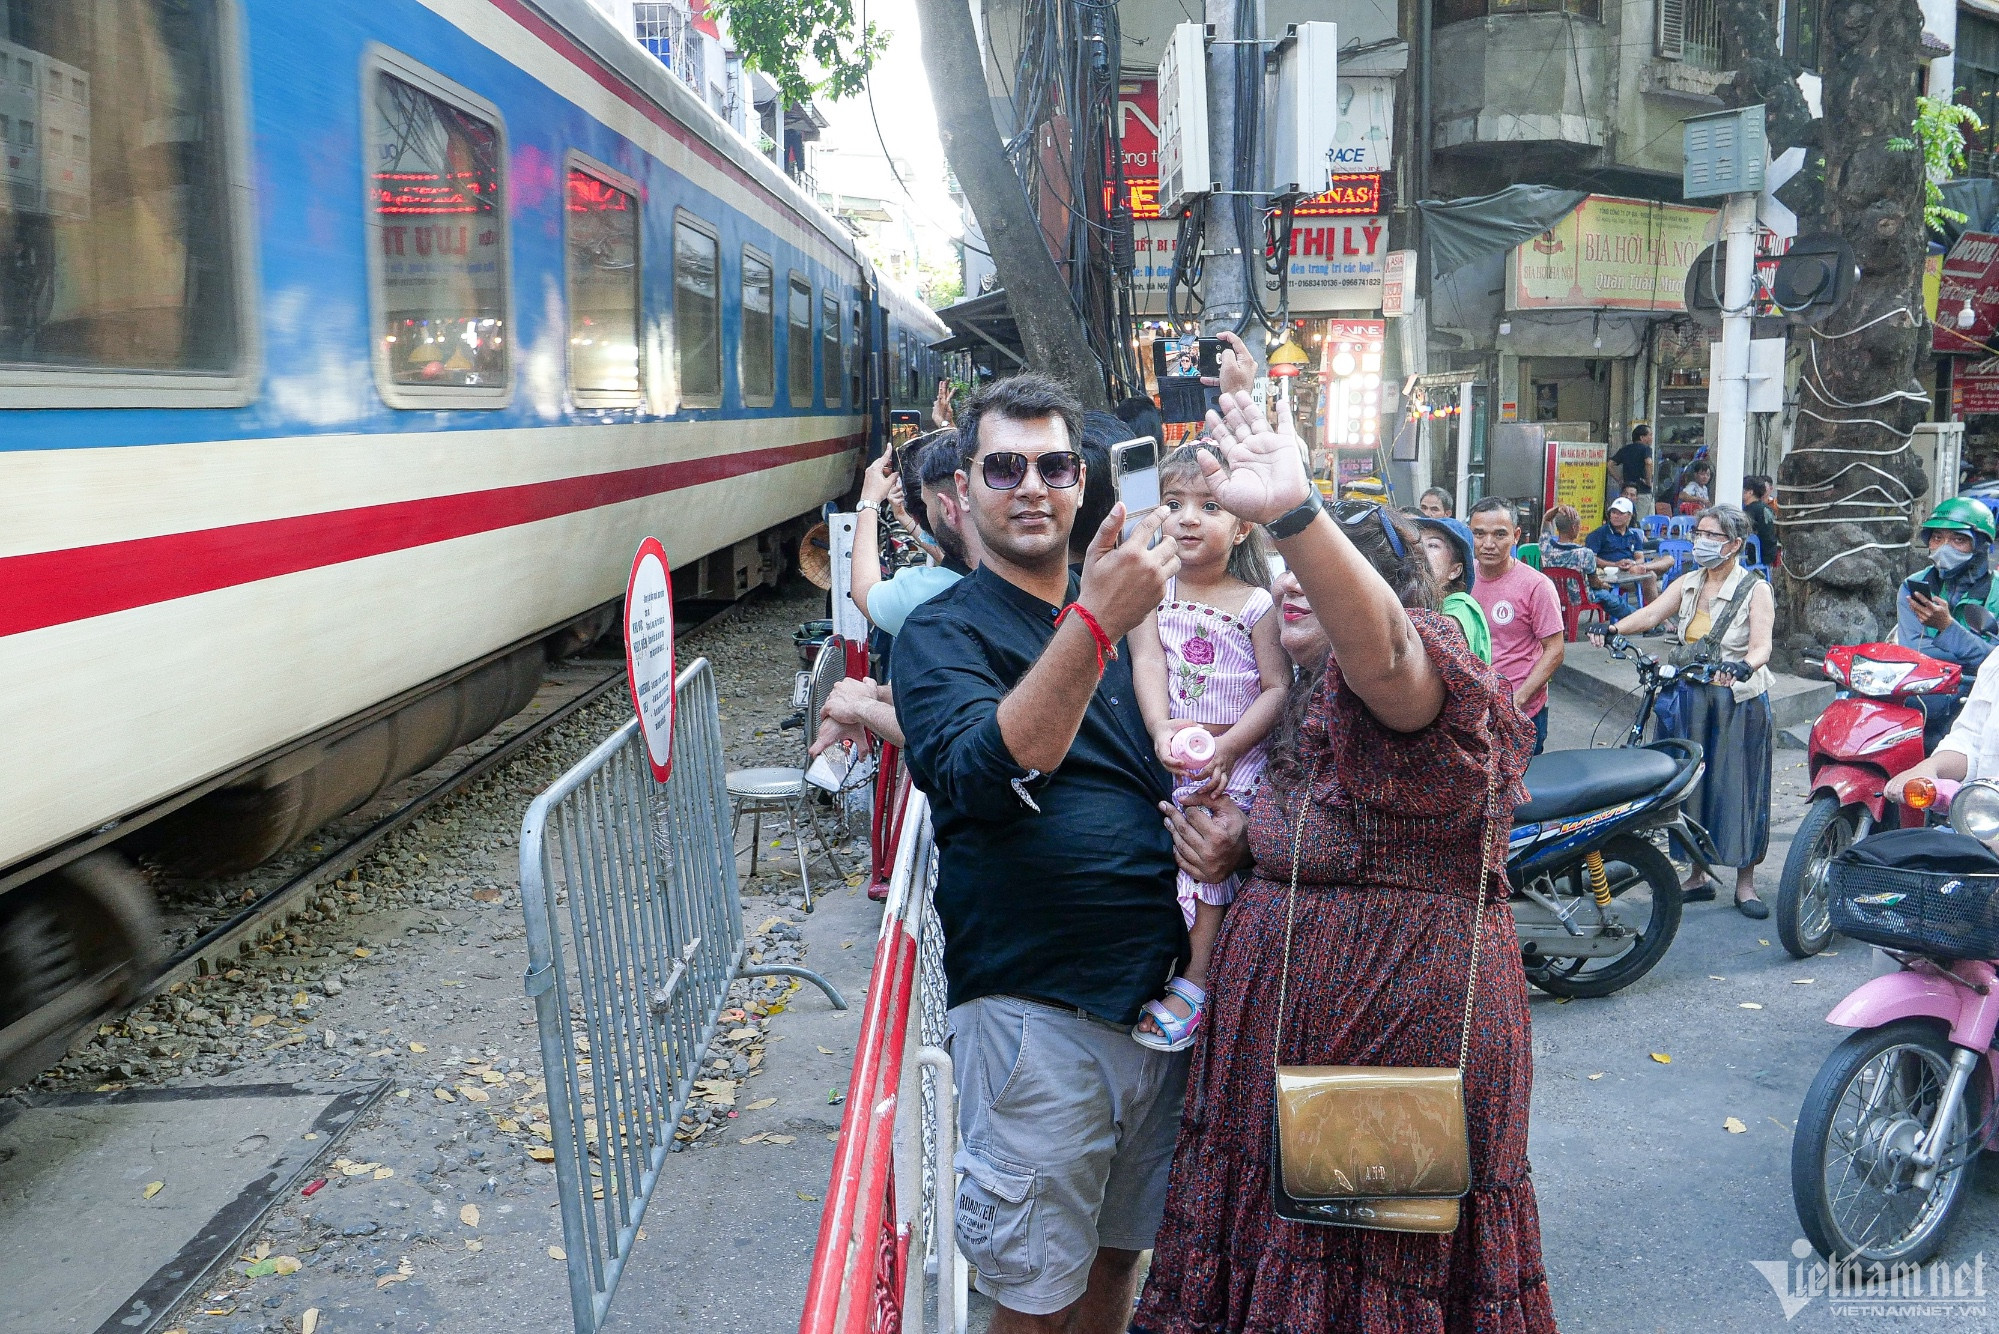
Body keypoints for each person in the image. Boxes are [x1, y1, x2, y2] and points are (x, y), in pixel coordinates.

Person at [1133, 350, 1556, 1334]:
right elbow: (1333, 832)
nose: (1290, 582)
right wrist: (1242, 847)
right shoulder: (1295, 698)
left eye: (1316, 568)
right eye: (1283, 566)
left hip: (1384, 1055)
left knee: (1367, 1289)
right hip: (1281, 1057)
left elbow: (1388, 652)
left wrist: (1294, 512)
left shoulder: (1412, 671)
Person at [890, 372, 1189, 1332]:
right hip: (1036, 1018)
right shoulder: (943, 631)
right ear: (960, 491)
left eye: (1054, 466)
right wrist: (1093, 622)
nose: (1030, 486)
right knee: (1030, 1296)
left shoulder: (1133, 621)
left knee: (1114, 1264)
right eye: (1003, 468)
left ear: (1080, 484)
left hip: (1157, 1013)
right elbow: (979, 776)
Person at [1127, 443, 1289, 1053]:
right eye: (1174, 504)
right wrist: (1160, 729)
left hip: (1233, 759)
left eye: (1210, 506)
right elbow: (1147, 662)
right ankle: (1173, 965)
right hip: (1172, 751)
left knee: (1207, 847)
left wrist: (1228, 750)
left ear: (1242, 526)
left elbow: (1276, 689)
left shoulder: (1257, 603)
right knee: (1166, 855)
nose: (1188, 518)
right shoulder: (1149, 592)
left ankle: (1196, 982)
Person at [1590, 505, 1774, 918]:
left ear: (1734, 544)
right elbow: (1653, 613)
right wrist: (1614, 627)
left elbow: (1762, 645)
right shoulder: (1690, 580)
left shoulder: (1755, 588)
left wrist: (1744, 665)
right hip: (1692, 692)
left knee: (1739, 788)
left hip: (1736, 699)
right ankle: (1698, 875)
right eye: (1698, 534)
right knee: (1692, 786)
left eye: (1711, 535)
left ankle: (1746, 884)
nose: (1700, 542)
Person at [852, 433, 978, 637]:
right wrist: (902, 516)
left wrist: (869, 501)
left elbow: (864, 591)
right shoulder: (1018, 564)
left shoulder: (926, 595)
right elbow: (959, 552)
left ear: (947, 508)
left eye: (926, 504)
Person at [1468, 497, 1565, 753]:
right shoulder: (1461, 578)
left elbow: (1555, 650)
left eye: (1500, 534)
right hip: (1472, 713)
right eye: (1479, 534)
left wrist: (1516, 701)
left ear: (1516, 536)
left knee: (1527, 779)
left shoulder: (1537, 586)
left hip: (1521, 714)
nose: (1488, 543)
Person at [1896, 497, 1999, 678]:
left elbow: (1994, 664)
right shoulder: (1913, 586)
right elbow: (1913, 650)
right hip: (1925, 688)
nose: (1944, 548)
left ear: (1980, 546)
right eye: (1937, 538)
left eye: (1958, 539)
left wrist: (1947, 627)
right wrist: (1975, 651)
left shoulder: (1995, 591)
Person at [1414, 513, 1492, 663]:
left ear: (1455, 571)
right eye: (1416, 543)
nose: (1419, 550)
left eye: (1433, 545)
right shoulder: (1424, 604)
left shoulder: (1461, 605)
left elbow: (1437, 634)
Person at [1542, 503, 1636, 623]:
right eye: (1579, 526)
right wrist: (1603, 585)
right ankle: (1638, 619)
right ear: (1574, 527)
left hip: (1554, 594)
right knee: (1611, 598)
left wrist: (1557, 509)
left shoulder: (1545, 546)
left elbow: (1546, 518)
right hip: (1580, 597)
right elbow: (1594, 583)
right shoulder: (1585, 553)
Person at [1586, 495, 1675, 601]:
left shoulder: (1633, 535)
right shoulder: (1598, 534)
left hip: (1633, 571)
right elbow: (1591, 559)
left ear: (1629, 515)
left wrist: (1633, 563)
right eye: (1613, 513)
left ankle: (1643, 568)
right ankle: (1656, 611)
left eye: (1620, 513)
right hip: (1612, 574)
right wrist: (1615, 564)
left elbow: (1640, 558)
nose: (1616, 516)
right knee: (1650, 575)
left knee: (1669, 559)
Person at [1742, 476, 1780, 566]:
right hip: (1770, 552)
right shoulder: (1766, 508)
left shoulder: (1750, 510)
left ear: (1750, 492)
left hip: (1757, 555)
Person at [1610, 424, 1654, 502]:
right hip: (1642, 492)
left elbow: (1609, 464)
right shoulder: (1646, 449)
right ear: (1642, 437)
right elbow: (1648, 463)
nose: (1652, 438)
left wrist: (1619, 480)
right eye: (1650, 435)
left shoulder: (1625, 449)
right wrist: (1648, 481)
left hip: (1626, 492)